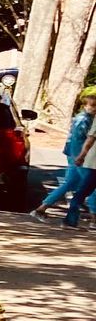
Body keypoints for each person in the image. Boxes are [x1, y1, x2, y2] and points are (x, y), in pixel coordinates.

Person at [31, 92, 96, 226]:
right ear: (85, 106)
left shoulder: (84, 118)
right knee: (90, 187)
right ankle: (93, 217)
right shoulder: (83, 120)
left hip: (76, 156)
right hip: (81, 157)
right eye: (92, 105)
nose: (94, 108)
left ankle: (42, 208)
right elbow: (79, 140)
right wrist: (80, 156)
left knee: (70, 184)